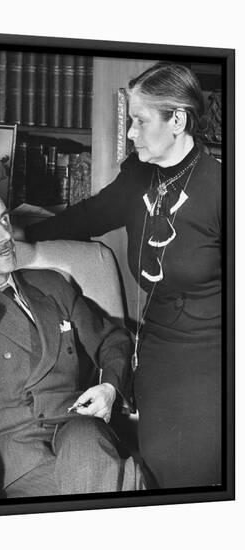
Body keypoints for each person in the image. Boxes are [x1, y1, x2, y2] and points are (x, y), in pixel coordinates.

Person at [22, 62, 222, 490]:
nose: (130, 132)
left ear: (178, 120)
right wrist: (17, 233)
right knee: (158, 476)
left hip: (215, 361)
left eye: (140, 120)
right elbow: (88, 216)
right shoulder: (138, 176)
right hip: (156, 357)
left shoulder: (225, 188)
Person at [0, 184, 145, 498]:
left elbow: (112, 339)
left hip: (79, 426)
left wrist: (110, 388)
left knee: (89, 442)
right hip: (17, 460)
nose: (4, 235)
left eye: (4, 220)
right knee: (128, 486)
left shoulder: (51, 284)